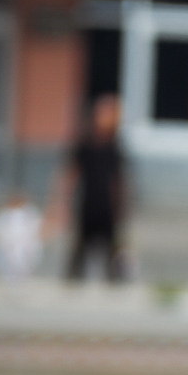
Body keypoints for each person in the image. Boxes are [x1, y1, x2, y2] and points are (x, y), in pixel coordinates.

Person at [48, 94, 132, 284]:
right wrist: (61, 203)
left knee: (112, 246)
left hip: (108, 206)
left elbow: (119, 179)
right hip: (88, 202)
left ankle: (115, 280)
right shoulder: (85, 142)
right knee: (80, 245)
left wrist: (122, 206)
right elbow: (70, 173)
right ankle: (73, 279)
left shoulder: (115, 144)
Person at [0, 192, 44, 283]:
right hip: (9, 242)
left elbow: (35, 227)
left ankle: (22, 278)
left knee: (24, 262)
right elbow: (0, 228)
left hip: (25, 242)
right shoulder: (5, 213)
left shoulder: (29, 212)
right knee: (9, 261)